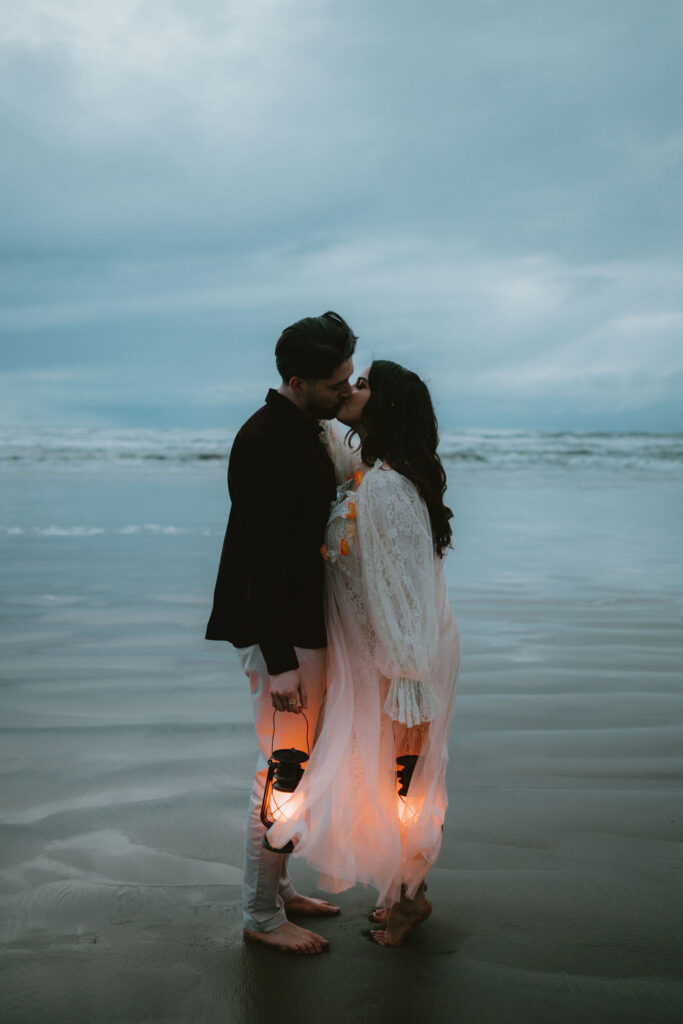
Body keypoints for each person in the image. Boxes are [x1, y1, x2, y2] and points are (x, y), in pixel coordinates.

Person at [266, 360, 460, 947]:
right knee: (390, 784)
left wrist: (407, 678)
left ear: (386, 407)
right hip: (374, 659)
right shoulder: (369, 476)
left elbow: (407, 590)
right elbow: (323, 432)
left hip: (401, 663)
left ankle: (407, 901)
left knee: (408, 784)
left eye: (365, 383)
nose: (351, 389)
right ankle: (408, 892)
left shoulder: (386, 489)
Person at [205, 312, 357, 954]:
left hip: (301, 626)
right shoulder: (267, 440)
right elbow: (258, 561)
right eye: (335, 385)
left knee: (293, 765)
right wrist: (280, 662)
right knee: (283, 771)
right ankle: (260, 915)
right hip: (282, 635)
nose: (346, 394)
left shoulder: (307, 429)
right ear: (297, 381)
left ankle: (280, 887)